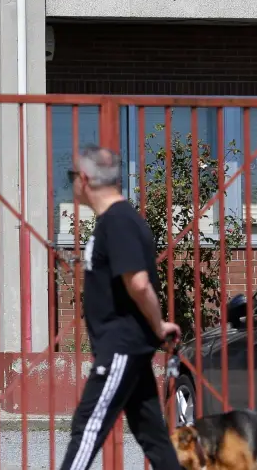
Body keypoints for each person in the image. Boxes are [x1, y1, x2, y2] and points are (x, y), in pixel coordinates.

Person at [59, 145, 182, 470]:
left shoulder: (118, 221)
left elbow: (138, 283)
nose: (72, 183)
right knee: (153, 436)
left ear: (85, 179)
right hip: (127, 347)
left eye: (72, 176)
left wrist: (158, 326)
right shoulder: (116, 220)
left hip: (121, 347)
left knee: (87, 426)